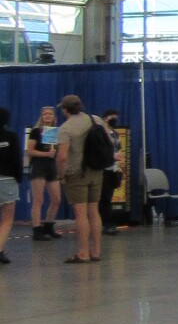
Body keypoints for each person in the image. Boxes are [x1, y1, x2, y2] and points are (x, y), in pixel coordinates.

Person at [54, 93, 103, 265]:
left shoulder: (65, 129)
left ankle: (83, 253)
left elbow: (61, 157)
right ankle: (96, 251)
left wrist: (61, 176)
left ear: (65, 110)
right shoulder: (96, 119)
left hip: (76, 173)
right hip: (96, 171)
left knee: (81, 214)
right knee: (94, 212)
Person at [27, 106, 60, 240]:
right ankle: (36, 229)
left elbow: (56, 153)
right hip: (39, 166)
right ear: (41, 117)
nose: (47, 116)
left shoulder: (55, 132)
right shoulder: (36, 131)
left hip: (51, 167)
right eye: (45, 114)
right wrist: (46, 154)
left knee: (56, 199)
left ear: (54, 116)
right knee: (38, 200)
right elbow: (30, 151)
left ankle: (49, 225)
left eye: (49, 114)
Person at [0, 106, 21, 264]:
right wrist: (19, 178)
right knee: (7, 219)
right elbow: (17, 159)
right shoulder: (11, 136)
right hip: (7, 180)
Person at [97, 111, 123, 233]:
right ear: (105, 118)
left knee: (108, 197)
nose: (114, 120)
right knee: (104, 198)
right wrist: (111, 156)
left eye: (116, 118)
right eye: (112, 117)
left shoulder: (116, 134)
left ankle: (108, 222)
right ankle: (106, 223)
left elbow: (118, 149)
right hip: (102, 169)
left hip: (114, 168)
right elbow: (99, 151)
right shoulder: (100, 133)